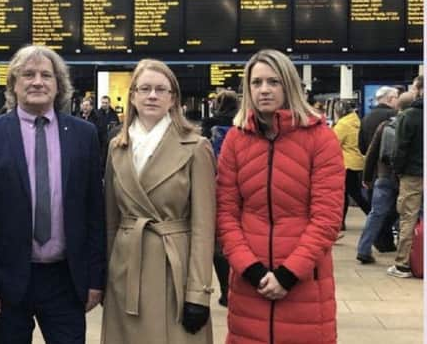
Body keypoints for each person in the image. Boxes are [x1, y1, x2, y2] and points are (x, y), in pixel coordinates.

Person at [0, 45, 105, 344]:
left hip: (65, 280)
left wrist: (95, 278)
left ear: (59, 86)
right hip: (7, 281)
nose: (37, 81)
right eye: (28, 74)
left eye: (47, 75)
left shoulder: (84, 135)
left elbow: (94, 212)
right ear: (14, 84)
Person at [217, 50, 344, 343]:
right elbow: (225, 212)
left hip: (305, 284)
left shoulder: (321, 138)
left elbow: (326, 219)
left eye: (273, 82)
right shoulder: (236, 140)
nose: (264, 90)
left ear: (288, 84)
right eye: (256, 82)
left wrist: (288, 274)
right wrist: (250, 269)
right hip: (250, 283)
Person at [101, 59, 216, 344]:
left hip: (174, 271)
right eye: (145, 88)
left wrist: (198, 292)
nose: (152, 95)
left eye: (161, 90)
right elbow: (110, 220)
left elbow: (204, 226)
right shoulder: (117, 147)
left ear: (173, 98)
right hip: (126, 269)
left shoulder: (196, 146)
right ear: (133, 96)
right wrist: (105, 278)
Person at [356, 91, 414, 263]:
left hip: (383, 176)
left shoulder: (386, 125)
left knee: (376, 214)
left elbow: (371, 153)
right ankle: (408, 253)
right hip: (407, 177)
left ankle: (363, 249)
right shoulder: (417, 123)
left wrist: (366, 178)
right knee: (408, 214)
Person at [200, 89, 238, 307]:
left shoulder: (208, 125)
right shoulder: (242, 124)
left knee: (218, 245)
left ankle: (225, 290)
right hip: (239, 185)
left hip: (213, 185)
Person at [387, 75, 423, 278]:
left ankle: (403, 264)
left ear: (418, 89)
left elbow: (400, 149)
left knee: (408, 217)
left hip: (412, 174)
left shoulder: (409, 116)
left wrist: (397, 171)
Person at [358, 86, 400, 252]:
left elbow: (362, 148)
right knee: (394, 210)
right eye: (396, 97)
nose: (397, 100)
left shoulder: (366, 118)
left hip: (376, 171)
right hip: (391, 171)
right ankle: (385, 241)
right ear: (389, 99)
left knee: (376, 211)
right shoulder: (394, 118)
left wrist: (366, 176)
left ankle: (369, 245)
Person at [332, 100, 369, 231]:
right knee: (348, 192)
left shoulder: (342, 124)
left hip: (346, 163)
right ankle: (341, 222)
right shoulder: (357, 121)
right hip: (358, 161)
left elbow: (333, 142)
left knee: (352, 193)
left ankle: (371, 216)